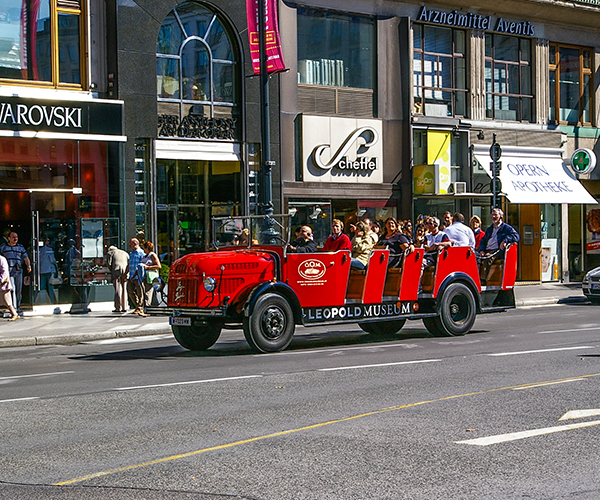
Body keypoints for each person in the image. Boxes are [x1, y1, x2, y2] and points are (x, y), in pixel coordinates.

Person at [478, 208, 520, 283]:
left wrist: (505, 240)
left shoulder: (506, 228)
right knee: (474, 257)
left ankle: (483, 280)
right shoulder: (490, 229)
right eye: (492, 215)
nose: (494, 217)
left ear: (500, 216)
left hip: (497, 251)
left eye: (495, 215)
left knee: (487, 257)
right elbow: (483, 240)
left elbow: (516, 236)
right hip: (487, 250)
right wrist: (481, 250)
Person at [0, 231, 31, 314]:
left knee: (18, 290)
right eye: (13, 237)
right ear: (8, 238)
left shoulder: (20, 247)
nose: (15, 239)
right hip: (9, 271)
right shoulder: (3, 247)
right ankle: (14, 308)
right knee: (12, 289)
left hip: (18, 271)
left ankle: (18, 305)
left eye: (16, 237)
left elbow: (25, 257)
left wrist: (28, 266)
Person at [106, 245, 129, 313]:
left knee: (118, 289)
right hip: (125, 271)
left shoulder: (110, 253)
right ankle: (125, 306)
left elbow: (108, 263)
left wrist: (111, 270)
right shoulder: (124, 252)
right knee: (124, 289)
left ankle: (118, 307)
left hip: (116, 271)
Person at [126, 237, 146, 316]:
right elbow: (129, 264)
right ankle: (137, 305)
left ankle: (140, 307)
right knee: (130, 291)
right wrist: (126, 273)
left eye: (130, 244)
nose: (129, 245)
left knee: (140, 292)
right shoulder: (131, 253)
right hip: (131, 276)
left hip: (138, 276)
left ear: (135, 244)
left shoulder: (141, 253)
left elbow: (143, 264)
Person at [140, 241, 161, 312]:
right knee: (152, 293)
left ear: (147, 248)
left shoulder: (152, 255)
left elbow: (158, 266)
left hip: (151, 276)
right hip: (145, 276)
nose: (143, 249)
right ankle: (155, 307)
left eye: (144, 248)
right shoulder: (145, 255)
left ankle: (146, 308)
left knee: (148, 292)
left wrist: (148, 267)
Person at [38, 237, 58, 304]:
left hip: (41, 270)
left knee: (42, 287)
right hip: (49, 270)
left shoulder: (39, 250)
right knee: (51, 287)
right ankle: (52, 301)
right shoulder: (49, 250)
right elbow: (53, 260)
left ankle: (42, 301)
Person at [0, 254, 19, 321]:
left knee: (7, 301)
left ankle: (14, 314)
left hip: (2, 285)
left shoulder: (1, 259)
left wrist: (1, 280)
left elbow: (4, 271)